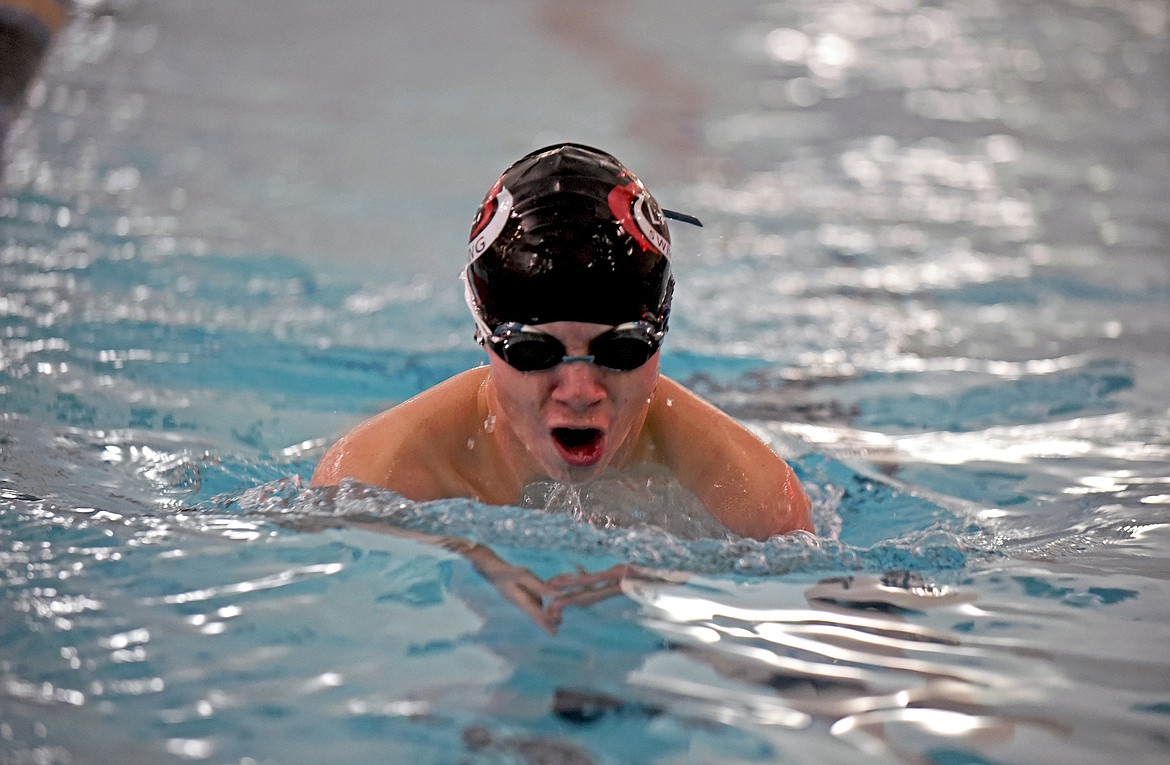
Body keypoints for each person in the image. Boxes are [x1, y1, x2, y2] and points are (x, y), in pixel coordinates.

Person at [312, 143, 812, 542]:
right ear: (484, 332)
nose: (578, 390)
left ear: (662, 329)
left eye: (621, 351)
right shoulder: (374, 482)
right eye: (534, 352)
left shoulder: (758, 504)